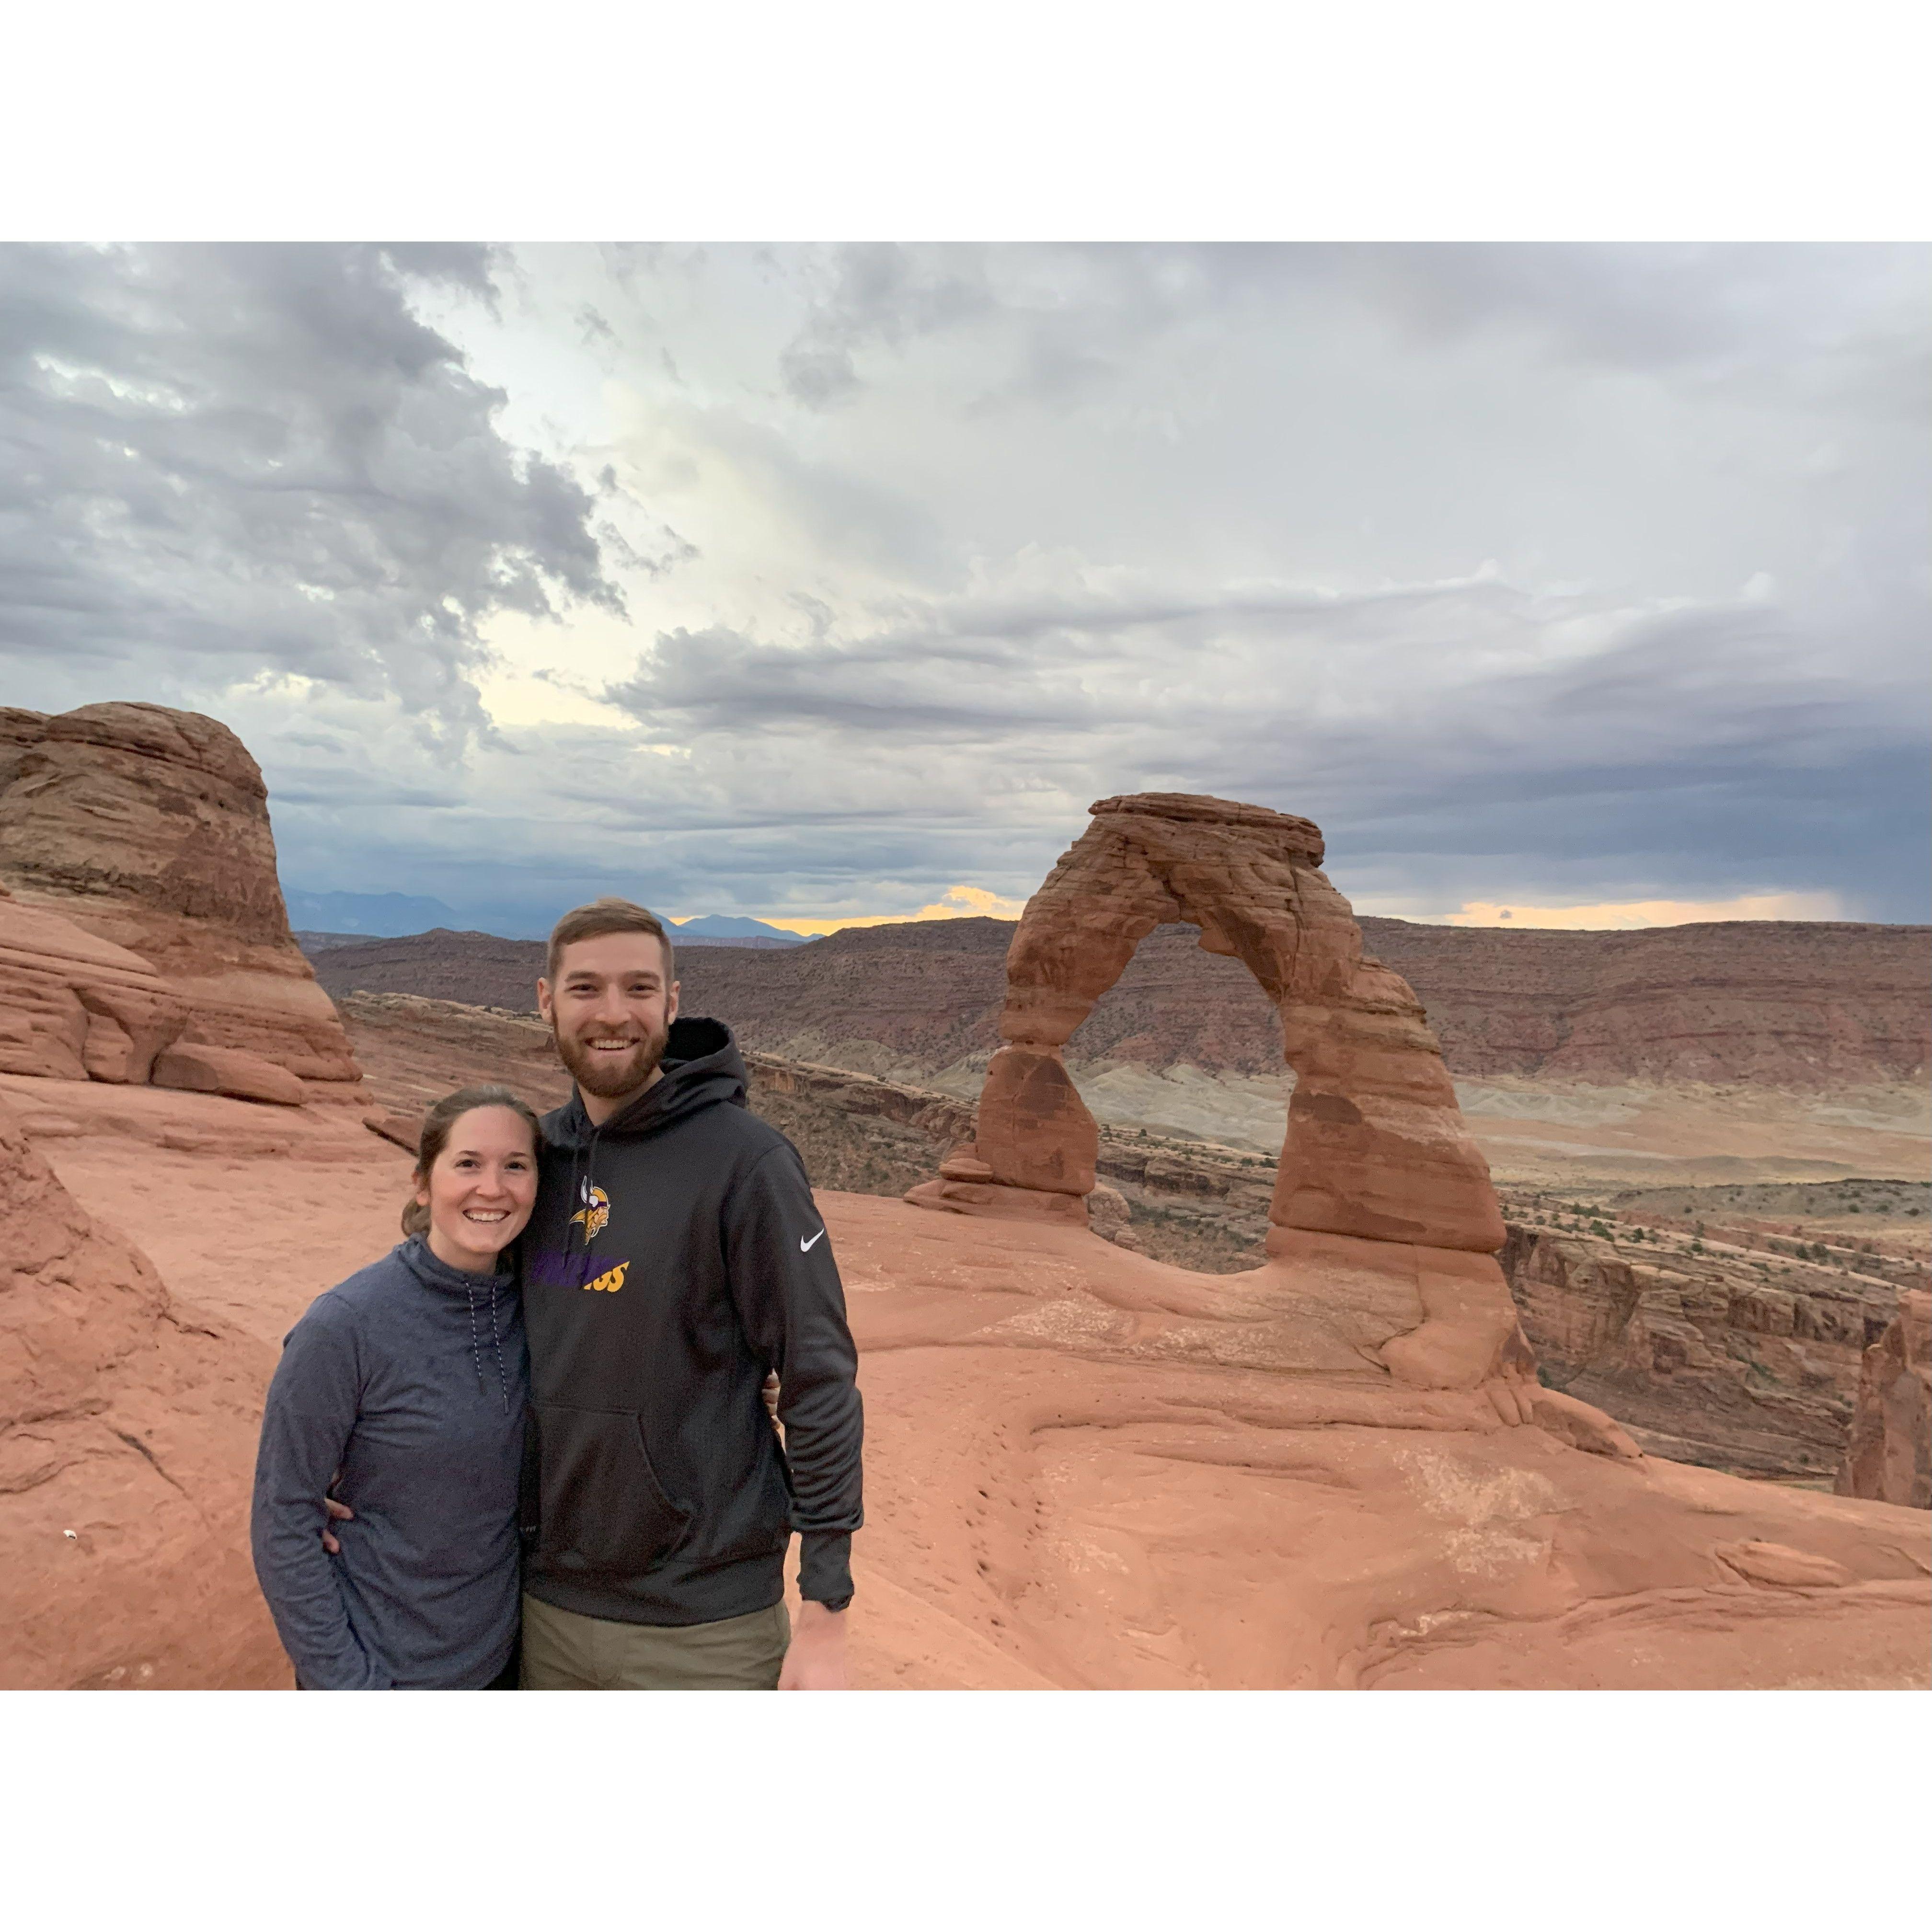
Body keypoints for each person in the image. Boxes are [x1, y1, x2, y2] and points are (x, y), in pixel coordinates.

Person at [514, 896, 864, 1690]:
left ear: (672, 1003)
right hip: (539, 1608)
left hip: (704, 1629)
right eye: (585, 989)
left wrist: (826, 1606)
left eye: (639, 989)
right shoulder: (531, 1161)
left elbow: (816, 1376)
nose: (613, 1013)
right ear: (545, 1000)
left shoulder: (747, 1164)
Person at [250, 1086, 539, 1689]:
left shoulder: (540, 1310)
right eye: (467, 1164)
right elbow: (284, 1518)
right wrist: (347, 1685)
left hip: (501, 1665)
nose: (493, 1188)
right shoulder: (346, 1325)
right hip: (384, 1671)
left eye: (515, 1165)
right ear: (423, 1184)